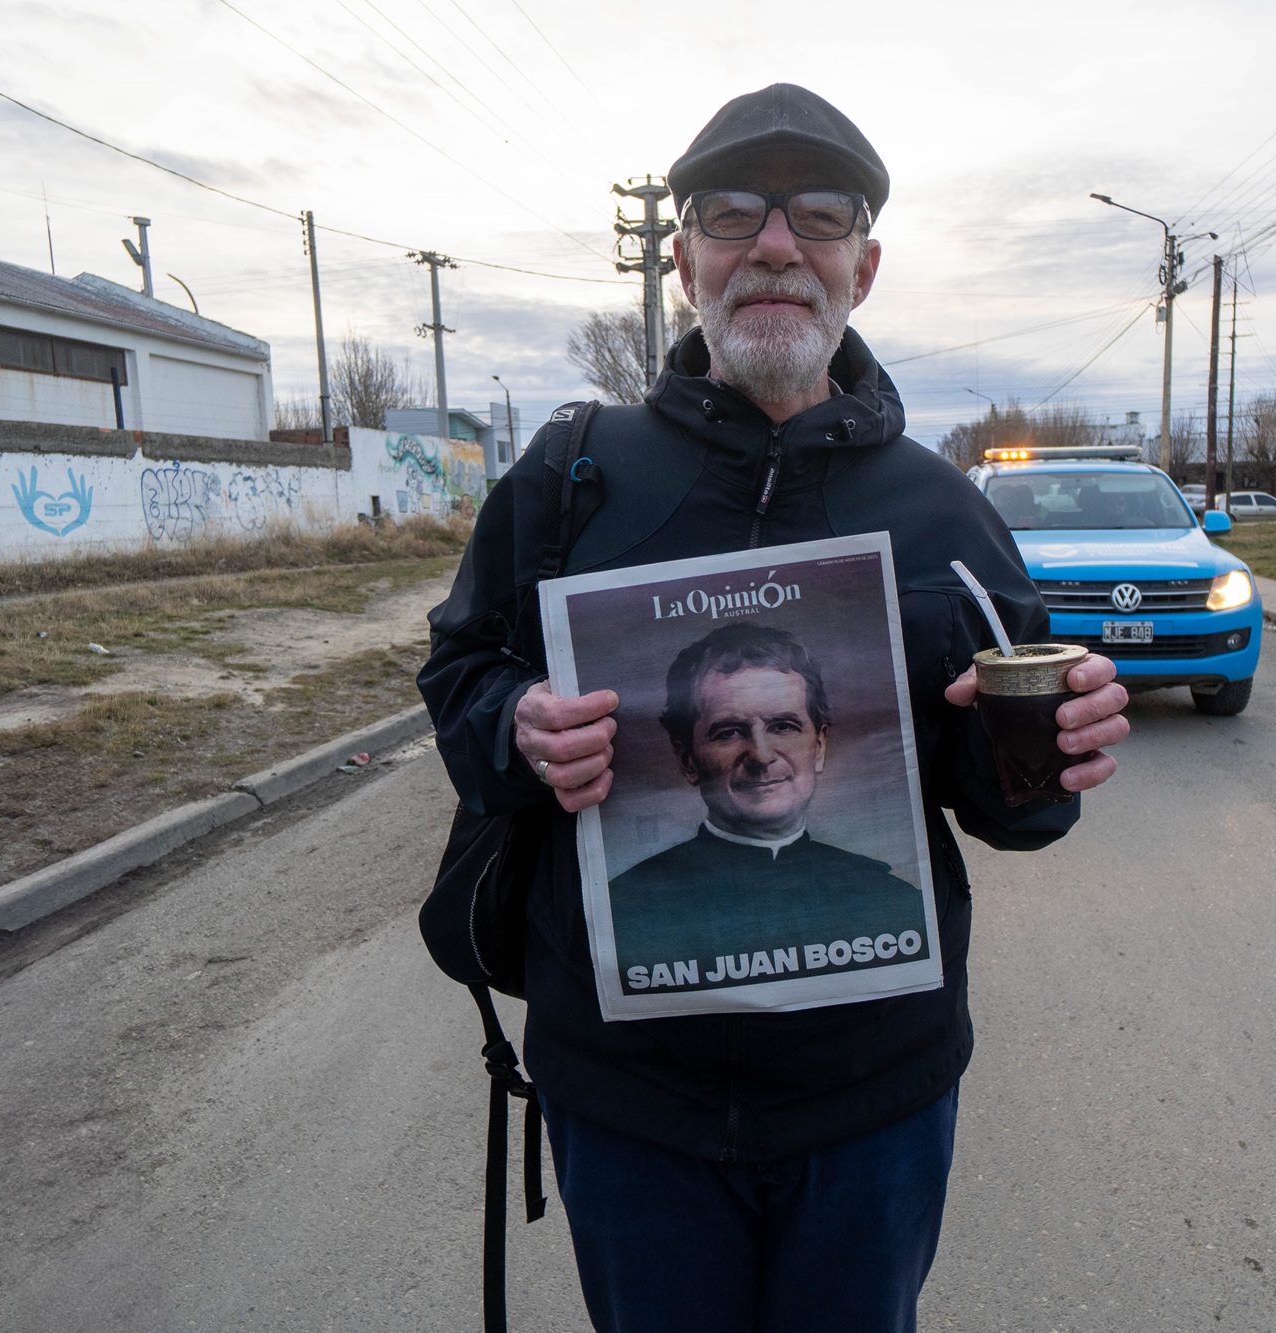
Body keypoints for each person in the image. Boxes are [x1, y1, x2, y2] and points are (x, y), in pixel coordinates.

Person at [420, 83, 1130, 1333]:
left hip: (870, 1107)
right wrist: (517, 722)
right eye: (730, 213)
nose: (773, 246)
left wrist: (1046, 750)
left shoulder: (942, 511)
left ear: (865, 262)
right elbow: (459, 671)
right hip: (630, 1101)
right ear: (682, 253)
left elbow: (1011, 811)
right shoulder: (572, 478)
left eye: (817, 215)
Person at [607, 622, 927, 985]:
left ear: (819, 748)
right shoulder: (625, 909)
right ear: (688, 760)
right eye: (729, 732)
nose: (761, 755)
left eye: (784, 727)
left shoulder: (894, 902)